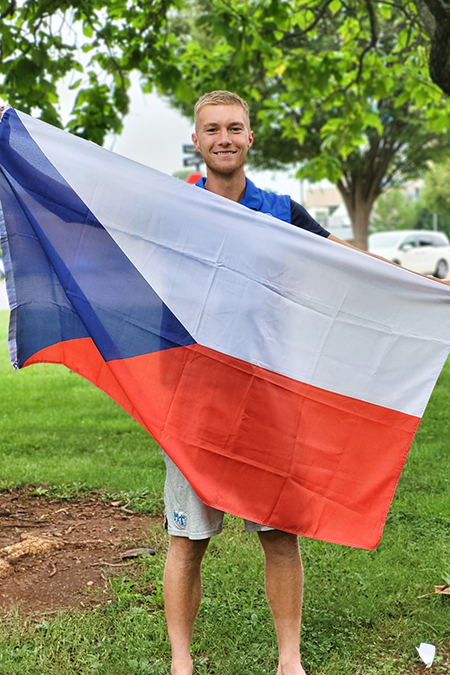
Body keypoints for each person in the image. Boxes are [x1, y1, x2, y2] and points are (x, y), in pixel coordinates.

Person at [161, 90, 450, 675]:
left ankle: (288, 660)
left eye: (234, 128)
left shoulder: (282, 211)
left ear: (249, 137)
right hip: (194, 401)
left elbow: (347, 260)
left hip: (268, 396)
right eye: (212, 128)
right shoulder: (172, 207)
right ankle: (181, 661)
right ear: (197, 140)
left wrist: (424, 284)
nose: (223, 138)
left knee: (279, 535)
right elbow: (92, 195)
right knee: (187, 540)